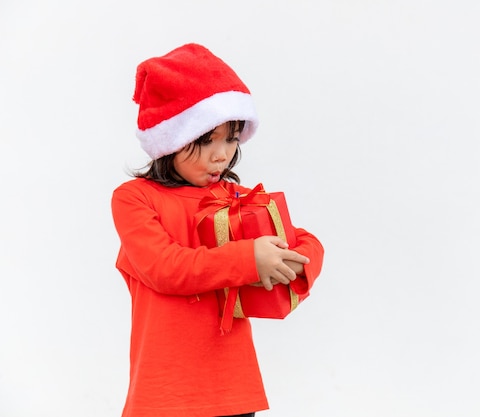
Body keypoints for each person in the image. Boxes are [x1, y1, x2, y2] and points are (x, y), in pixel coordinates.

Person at [111, 43, 324, 417]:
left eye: (231, 138)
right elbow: (165, 268)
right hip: (165, 392)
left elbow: (307, 242)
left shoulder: (236, 198)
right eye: (206, 139)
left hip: (232, 388)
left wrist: (290, 263)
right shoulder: (134, 198)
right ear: (170, 140)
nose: (221, 154)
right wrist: (250, 258)